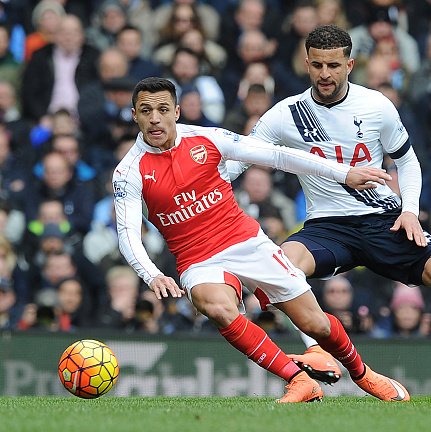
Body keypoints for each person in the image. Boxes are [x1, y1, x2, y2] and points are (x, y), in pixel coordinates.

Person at [227, 24, 431, 401]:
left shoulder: (376, 106)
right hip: (326, 226)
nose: (324, 74)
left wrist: (411, 211)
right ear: (306, 64)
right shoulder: (286, 115)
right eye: (317, 65)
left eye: (333, 65)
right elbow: (238, 162)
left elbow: (408, 162)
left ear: (350, 64)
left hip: (384, 220)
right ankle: (318, 355)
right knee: (279, 268)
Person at [113, 76, 407, 403]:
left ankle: (363, 374)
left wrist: (344, 173)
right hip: (198, 259)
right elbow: (126, 233)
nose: (155, 118)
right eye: (146, 110)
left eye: (163, 109)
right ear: (135, 115)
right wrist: (152, 274)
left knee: (316, 324)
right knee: (218, 307)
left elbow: (278, 156)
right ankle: (299, 380)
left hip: (246, 242)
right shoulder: (128, 171)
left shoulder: (209, 139)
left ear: (177, 112)